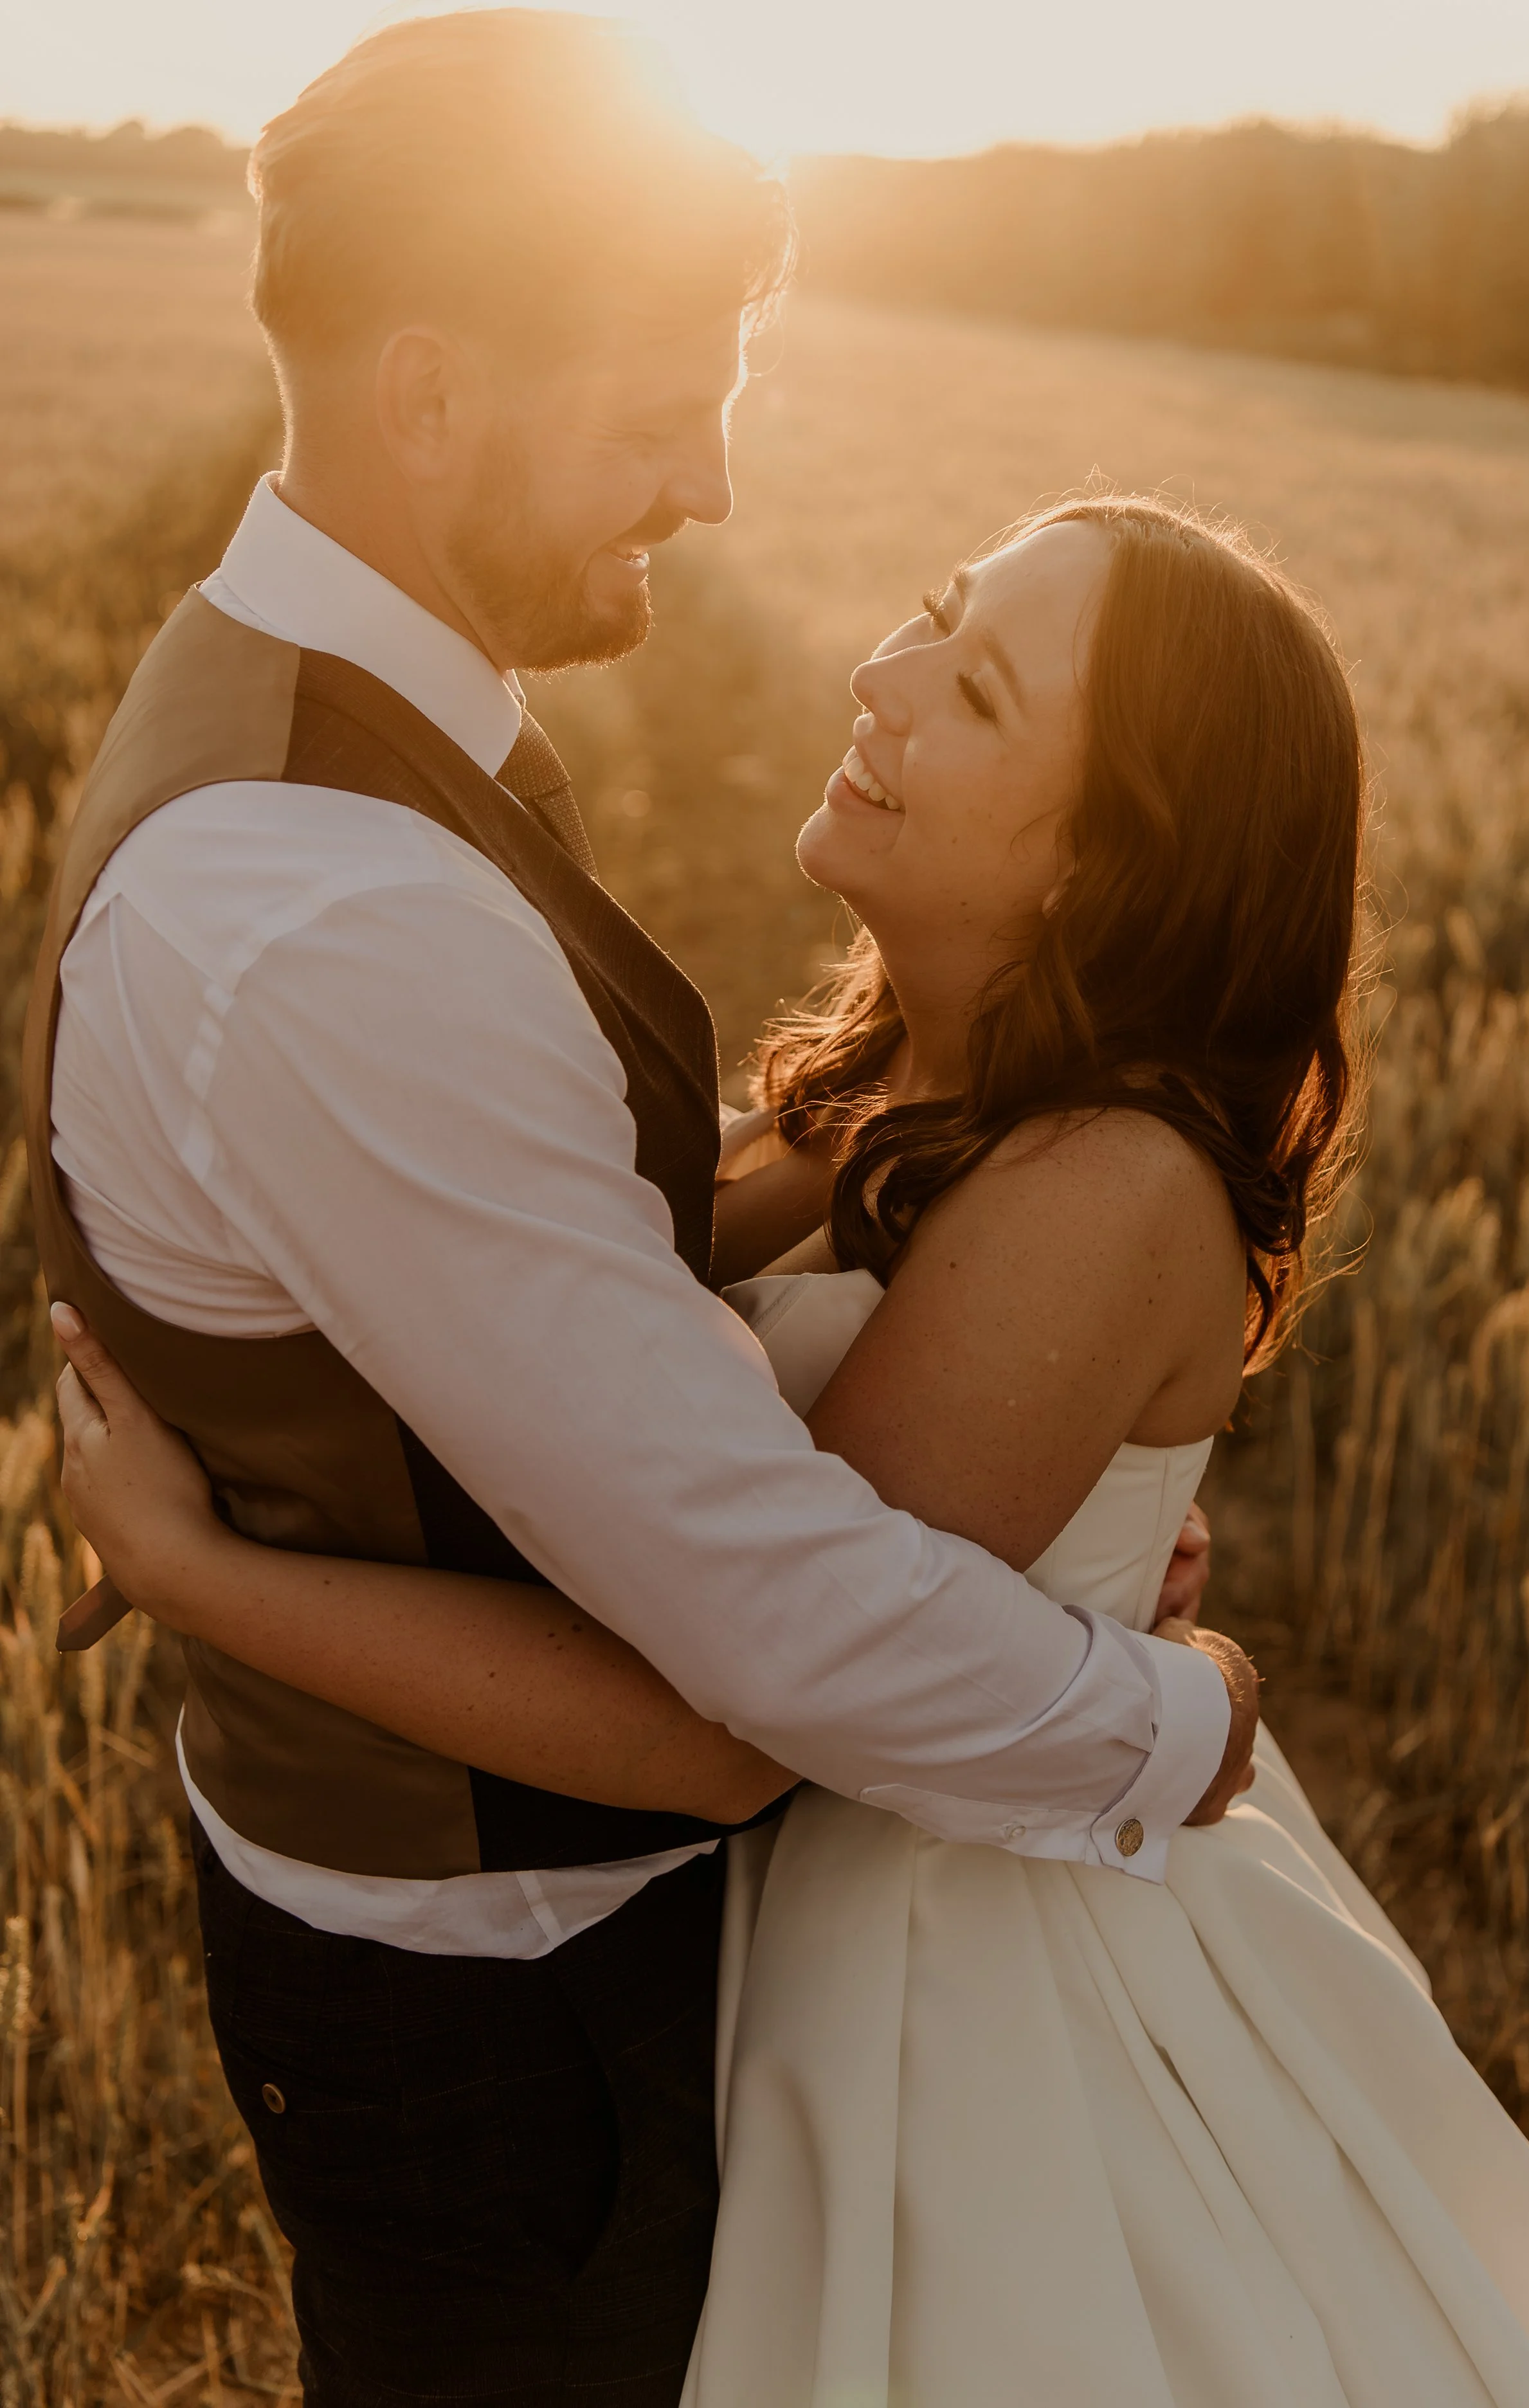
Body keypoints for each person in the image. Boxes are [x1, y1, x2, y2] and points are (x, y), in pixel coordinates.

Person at [57, 494, 1529, 2405]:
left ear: (1107, 857)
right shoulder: (913, 1103)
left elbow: (714, 1709)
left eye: (969, 689)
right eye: (925, 614)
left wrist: (201, 1569)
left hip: (966, 1992)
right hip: (821, 1927)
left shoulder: (1094, 1182)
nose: (875, 679)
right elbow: (566, 1269)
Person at [24, 17, 1253, 2406]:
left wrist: (867, 1205)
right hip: (503, 1998)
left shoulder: (324, 710)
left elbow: (508, 1282)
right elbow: (740, 1683)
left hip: (469, 1941)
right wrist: (1155, 1721)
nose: (706, 480)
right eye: (654, 405)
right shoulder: (332, 909)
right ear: (430, 393)